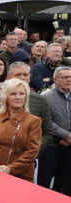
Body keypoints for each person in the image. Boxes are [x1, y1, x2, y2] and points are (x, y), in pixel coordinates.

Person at [0, 79, 42, 181]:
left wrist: (9, 169)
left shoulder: (34, 121)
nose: (18, 97)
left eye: (22, 94)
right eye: (13, 94)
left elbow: (32, 151)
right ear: (6, 97)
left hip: (22, 176)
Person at [38, 66, 71, 194]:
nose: (69, 79)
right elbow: (46, 120)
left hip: (69, 147)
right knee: (44, 182)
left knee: (66, 183)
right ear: (56, 79)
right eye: (65, 77)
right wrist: (65, 135)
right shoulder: (46, 97)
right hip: (51, 145)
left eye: (70, 77)